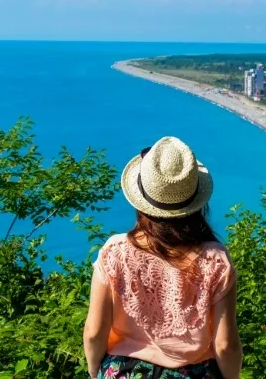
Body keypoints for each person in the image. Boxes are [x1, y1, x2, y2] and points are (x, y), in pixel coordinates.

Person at [83, 136, 242, 379]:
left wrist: (97, 373)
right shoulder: (215, 259)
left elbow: (95, 333)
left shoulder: (115, 251)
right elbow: (225, 345)